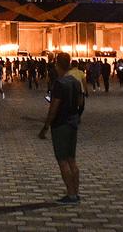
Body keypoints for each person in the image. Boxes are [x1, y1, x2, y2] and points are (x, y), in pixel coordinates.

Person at [38, 53, 84, 204]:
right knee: (72, 160)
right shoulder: (76, 82)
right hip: (73, 123)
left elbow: (54, 107)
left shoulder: (60, 83)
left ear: (57, 65)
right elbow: (80, 102)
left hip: (61, 125)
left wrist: (45, 126)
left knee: (62, 160)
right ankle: (76, 193)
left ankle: (70, 195)